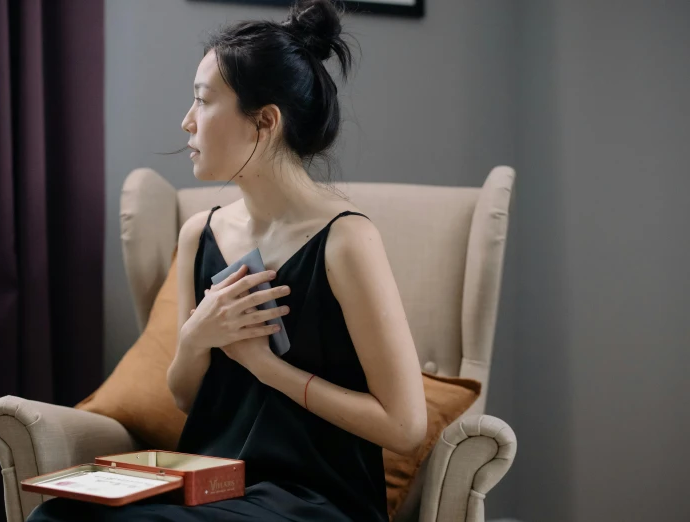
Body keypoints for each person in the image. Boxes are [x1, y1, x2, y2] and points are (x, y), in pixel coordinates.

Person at [27, 1, 426, 520]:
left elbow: (405, 426)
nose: (187, 121)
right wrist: (197, 336)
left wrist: (264, 366)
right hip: (211, 483)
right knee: (57, 514)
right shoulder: (201, 233)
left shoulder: (347, 241)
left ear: (264, 121)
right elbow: (189, 400)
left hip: (315, 499)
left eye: (203, 101)